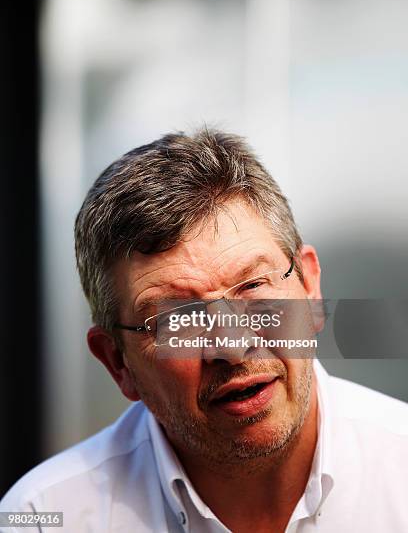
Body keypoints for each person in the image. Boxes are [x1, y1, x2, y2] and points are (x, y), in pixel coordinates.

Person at [1, 128, 408, 533]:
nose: (232, 347)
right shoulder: (42, 518)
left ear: (310, 288)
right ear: (117, 361)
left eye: (252, 286)